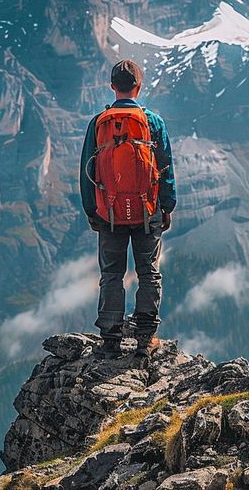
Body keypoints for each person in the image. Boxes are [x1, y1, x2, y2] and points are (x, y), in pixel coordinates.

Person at [79, 59, 176, 358]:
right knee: (148, 272)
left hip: (109, 213)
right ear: (139, 86)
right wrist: (167, 207)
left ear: (112, 86)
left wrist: (91, 211)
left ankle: (110, 338)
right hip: (148, 211)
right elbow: (165, 167)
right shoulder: (153, 122)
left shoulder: (99, 123)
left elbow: (87, 169)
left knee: (111, 274)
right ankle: (146, 338)